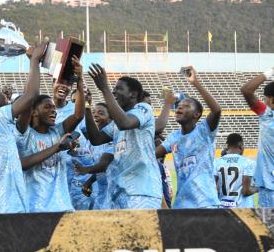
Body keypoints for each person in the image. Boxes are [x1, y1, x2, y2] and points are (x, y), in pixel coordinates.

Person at [0, 43, 46, 214]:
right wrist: (34, 60)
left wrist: (30, 63)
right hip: (7, 203)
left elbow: (26, 105)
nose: (5, 97)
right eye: (0, 94)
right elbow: (31, 97)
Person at [85, 64, 162, 209]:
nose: (114, 92)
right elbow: (96, 139)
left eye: (119, 89)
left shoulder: (143, 109)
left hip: (142, 191)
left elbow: (125, 123)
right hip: (120, 192)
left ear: (133, 94)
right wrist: (87, 107)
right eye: (113, 89)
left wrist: (104, 88)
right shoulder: (116, 122)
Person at [16, 55, 85, 212]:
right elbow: (23, 164)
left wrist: (79, 80)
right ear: (33, 111)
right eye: (48, 107)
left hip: (63, 207)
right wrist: (57, 147)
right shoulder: (24, 133)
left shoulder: (57, 130)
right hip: (36, 210)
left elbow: (78, 115)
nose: (53, 111)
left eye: (54, 108)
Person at [156, 66, 222, 208]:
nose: (179, 108)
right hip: (182, 206)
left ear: (197, 114)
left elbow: (216, 110)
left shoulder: (204, 131)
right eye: (178, 105)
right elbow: (152, 154)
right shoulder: (174, 137)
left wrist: (195, 83)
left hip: (206, 204)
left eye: (185, 106)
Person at [240, 68, 274, 208]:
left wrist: (270, 71)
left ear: (272, 101)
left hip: (270, 188)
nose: (264, 102)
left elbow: (246, 90)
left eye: (265, 99)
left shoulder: (268, 116)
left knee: (268, 229)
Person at [73, 102, 114, 210]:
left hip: (113, 191)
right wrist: (89, 181)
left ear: (110, 119)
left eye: (100, 113)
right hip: (101, 191)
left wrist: (85, 170)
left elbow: (103, 165)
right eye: (94, 112)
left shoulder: (114, 139)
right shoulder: (93, 142)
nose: (95, 115)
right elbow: (99, 169)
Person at [214, 133, 257, 208]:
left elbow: (214, 190)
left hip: (222, 208)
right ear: (240, 145)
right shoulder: (249, 163)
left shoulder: (216, 162)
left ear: (227, 146)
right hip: (242, 209)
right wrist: (258, 188)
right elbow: (245, 192)